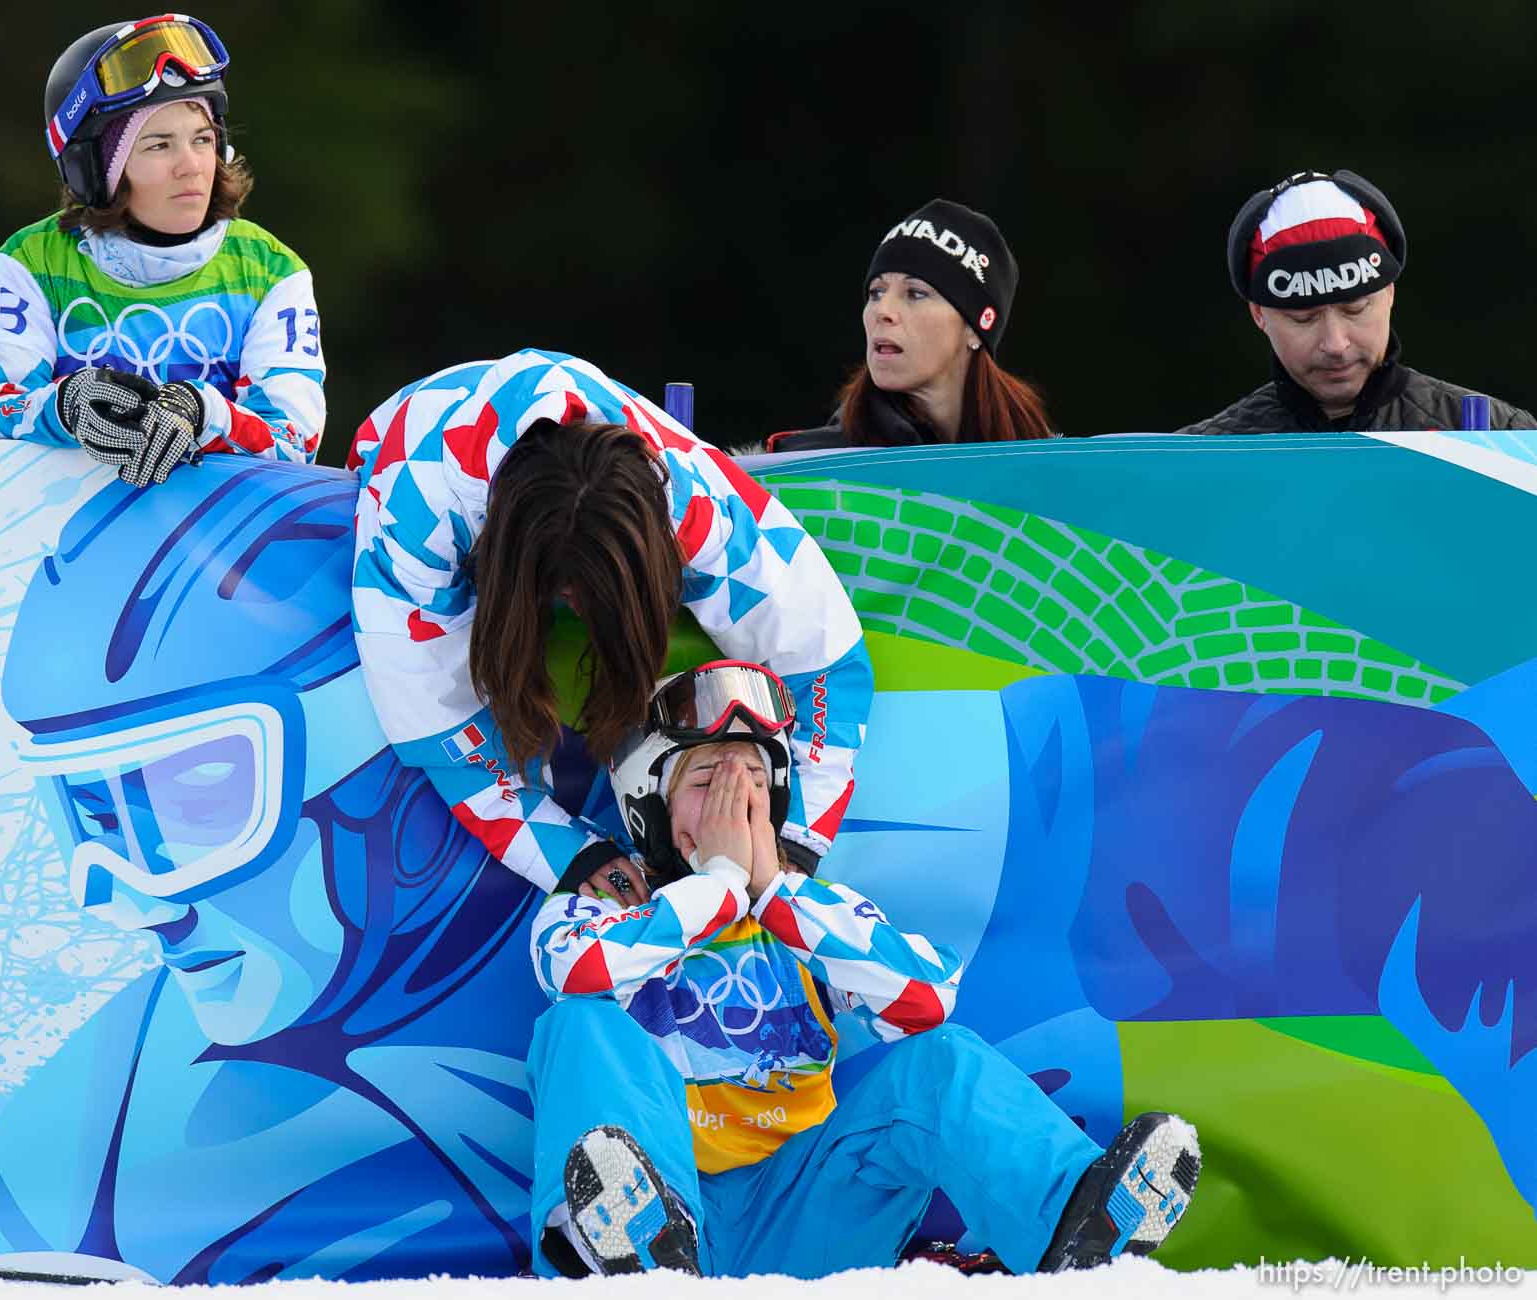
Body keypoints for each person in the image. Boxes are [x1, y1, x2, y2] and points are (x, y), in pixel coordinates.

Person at [0, 458, 547, 1280]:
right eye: (90, 812)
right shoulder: (142, 1059)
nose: (126, 898)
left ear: (394, 770)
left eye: (195, 793)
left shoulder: (568, 1024)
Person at [525, 661, 1201, 1278]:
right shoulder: (599, 906)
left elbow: (927, 997)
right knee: (581, 1024)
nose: (739, 808)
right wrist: (720, 881)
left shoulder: (805, 909)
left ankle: (1075, 1239)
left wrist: (768, 893)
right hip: (657, 1210)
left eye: (755, 785)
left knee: (939, 1061)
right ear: (649, 807)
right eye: (708, 783)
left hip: (804, 1216)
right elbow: (573, 971)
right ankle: (627, 1260)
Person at [347, 349, 873, 908]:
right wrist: (569, 853)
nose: (576, 608)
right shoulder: (412, 523)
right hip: (414, 461)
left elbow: (825, 656)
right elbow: (436, 729)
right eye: (564, 593)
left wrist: (794, 842)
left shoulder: (695, 501)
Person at [0, 15, 325, 485]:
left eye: (202, 140)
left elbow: (294, 443)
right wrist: (64, 406)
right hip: (55, 534)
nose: (191, 167)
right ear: (95, 168)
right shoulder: (31, 263)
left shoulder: (271, 272)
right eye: (158, 146)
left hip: (211, 545)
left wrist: (199, 412)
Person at [1177, 169, 1534, 435]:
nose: (1335, 344)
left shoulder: (1503, 437)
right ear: (1259, 315)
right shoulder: (1200, 462)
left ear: (1390, 294)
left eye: (1355, 309)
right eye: (1304, 318)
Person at [768, 198, 1054, 453]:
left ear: (974, 328)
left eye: (915, 293)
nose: (882, 310)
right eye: (876, 292)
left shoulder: (1043, 470)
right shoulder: (803, 476)